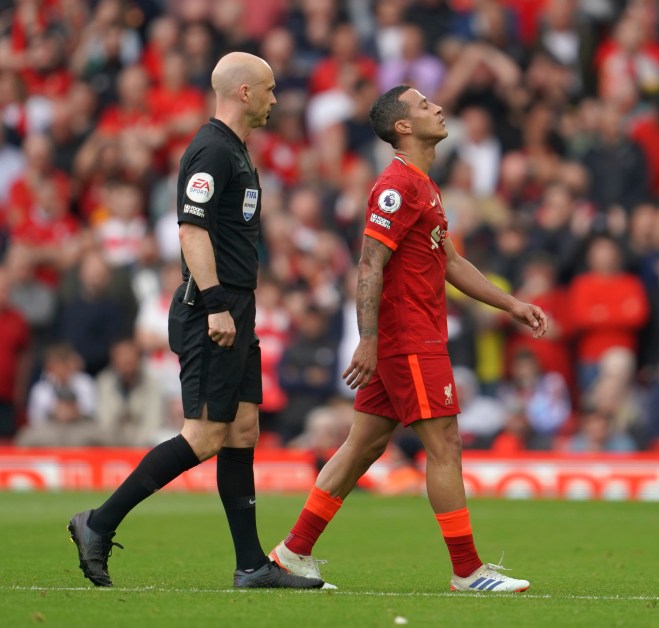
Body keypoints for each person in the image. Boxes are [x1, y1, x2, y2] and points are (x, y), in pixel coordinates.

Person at [268, 85, 548, 593]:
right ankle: (467, 571)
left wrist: (512, 304)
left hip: (411, 335)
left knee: (360, 449)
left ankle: (291, 554)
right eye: (423, 106)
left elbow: (453, 263)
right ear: (402, 126)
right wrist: (369, 340)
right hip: (407, 338)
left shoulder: (425, 185)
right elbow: (369, 265)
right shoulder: (395, 186)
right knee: (445, 444)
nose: (438, 108)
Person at [68, 52, 324, 590]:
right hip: (215, 307)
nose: (277, 99)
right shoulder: (210, 149)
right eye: (270, 89)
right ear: (244, 93)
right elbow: (191, 230)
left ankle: (251, 565)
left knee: (243, 428)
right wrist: (214, 304)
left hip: (239, 305)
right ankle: (98, 522)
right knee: (205, 435)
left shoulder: (236, 150)